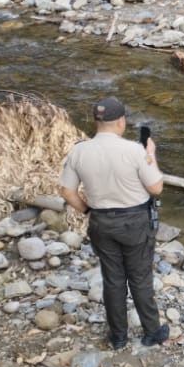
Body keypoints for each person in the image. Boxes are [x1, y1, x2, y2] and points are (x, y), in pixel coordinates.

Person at [59, 97, 169, 350]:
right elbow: (156, 188)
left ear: (96, 122)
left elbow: (67, 192)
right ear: (121, 122)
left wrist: (87, 209)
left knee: (113, 279)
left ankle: (118, 336)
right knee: (140, 278)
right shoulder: (135, 150)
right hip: (135, 221)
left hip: (101, 222)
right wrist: (151, 155)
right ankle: (152, 332)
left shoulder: (79, 150)